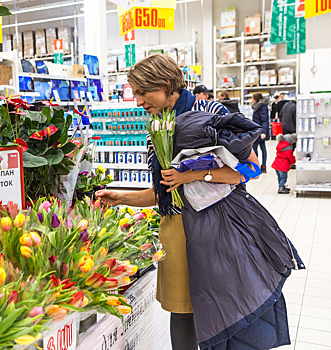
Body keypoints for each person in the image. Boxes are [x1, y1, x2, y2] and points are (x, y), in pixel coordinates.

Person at [96, 53, 303, 350]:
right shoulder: (157, 125)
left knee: (224, 308)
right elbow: (165, 190)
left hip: (215, 228)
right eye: (135, 94)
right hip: (176, 230)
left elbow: (250, 169)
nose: (138, 102)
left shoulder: (209, 112)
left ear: (166, 84)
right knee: (181, 312)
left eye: (143, 92)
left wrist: (196, 175)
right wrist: (120, 198)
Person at [251, 92, 269, 173]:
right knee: (257, 148)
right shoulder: (257, 107)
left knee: (260, 148)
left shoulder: (262, 107)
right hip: (256, 130)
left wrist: (263, 132)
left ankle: (261, 166)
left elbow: (265, 120)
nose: (251, 100)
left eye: (252, 98)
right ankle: (258, 166)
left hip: (260, 131)